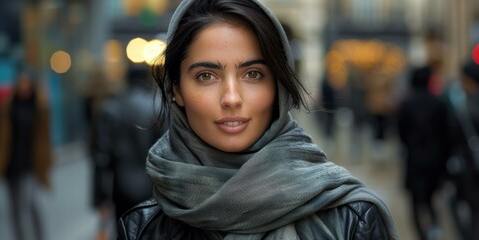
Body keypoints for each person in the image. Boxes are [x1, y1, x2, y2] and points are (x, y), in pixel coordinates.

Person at [117, 0, 398, 239]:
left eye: (252, 74)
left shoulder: (351, 219)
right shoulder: (142, 229)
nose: (231, 98)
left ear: (277, 86)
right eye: (206, 76)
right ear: (176, 89)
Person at [91, 66, 167, 237]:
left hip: (121, 186)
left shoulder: (110, 107)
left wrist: (99, 198)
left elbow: (101, 157)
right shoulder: (157, 106)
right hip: (153, 187)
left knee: (124, 230)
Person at [397, 67, 450, 240]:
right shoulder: (439, 102)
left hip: (414, 158)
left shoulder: (407, 103)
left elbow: (401, 132)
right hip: (436, 158)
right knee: (432, 198)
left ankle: (421, 234)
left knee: (414, 201)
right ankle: (434, 229)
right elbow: (447, 133)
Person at [0, 67, 52, 240]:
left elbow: (45, 138)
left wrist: (46, 161)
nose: (23, 87)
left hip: (30, 164)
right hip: (10, 164)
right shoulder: (9, 106)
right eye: (21, 83)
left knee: (27, 204)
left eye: (26, 83)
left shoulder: (39, 107)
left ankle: (38, 236)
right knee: (14, 208)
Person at [446, 60, 479, 240]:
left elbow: (453, 138)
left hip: (470, 167)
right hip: (472, 166)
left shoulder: (464, 109)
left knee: (472, 211)